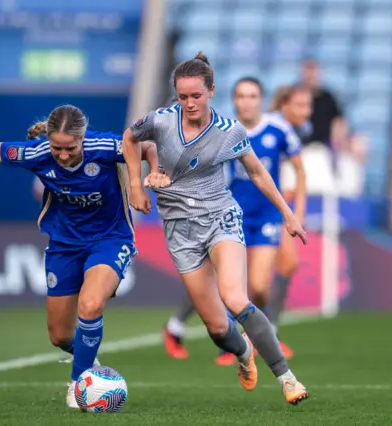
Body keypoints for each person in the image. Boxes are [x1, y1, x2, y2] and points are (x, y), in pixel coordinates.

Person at [0, 105, 159, 409]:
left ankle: (78, 385)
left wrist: (147, 177)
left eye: (70, 148)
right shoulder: (36, 154)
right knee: (59, 336)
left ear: (83, 138)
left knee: (90, 304)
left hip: (110, 240)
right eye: (56, 148)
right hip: (64, 245)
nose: (62, 155)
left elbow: (147, 145)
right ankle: (88, 358)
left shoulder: (101, 147)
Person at [122, 52, 309, 406]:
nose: (190, 103)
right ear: (175, 94)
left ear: (211, 91)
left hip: (220, 217)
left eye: (197, 96)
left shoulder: (228, 131)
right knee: (218, 328)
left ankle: (287, 378)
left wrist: (287, 212)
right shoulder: (160, 121)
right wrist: (135, 183)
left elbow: (256, 171)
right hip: (180, 230)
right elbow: (130, 138)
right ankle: (241, 353)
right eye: (183, 96)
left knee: (236, 297)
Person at [161, 79, 308, 366]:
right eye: (241, 96)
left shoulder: (277, 130)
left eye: (252, 95)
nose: (247, 101)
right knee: (220, 284)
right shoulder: (221, 130)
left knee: (260, 287)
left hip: (265, 217)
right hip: (227, 215)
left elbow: (299, 169)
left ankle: (257, 333)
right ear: (235, 100)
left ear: (262, 99)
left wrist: (295, 212)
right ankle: (211, 337)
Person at [263, 85, 313, 353]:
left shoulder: (298, 130)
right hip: (259, 207)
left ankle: (268, 334)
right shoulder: (271, 127)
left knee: (286, 264)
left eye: (309, 106)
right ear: (284, 104)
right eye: (301, 105)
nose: (307, 112)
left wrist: (297, 211)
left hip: (277, 207)